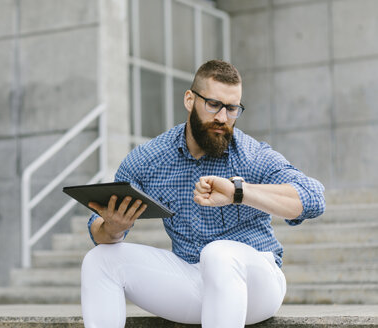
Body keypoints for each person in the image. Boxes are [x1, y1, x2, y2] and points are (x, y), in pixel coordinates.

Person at [80, 60, 325, 328]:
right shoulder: (150, 159)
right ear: (189, 99)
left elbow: (312, 197)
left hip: (256, 286)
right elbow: (99, 230)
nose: (222, 117)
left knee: (218, 254)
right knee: (99, 261)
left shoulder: (251, 155)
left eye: (232, 109)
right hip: (191, 281)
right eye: (213, 104)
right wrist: (112, 228)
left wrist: (238, 192)